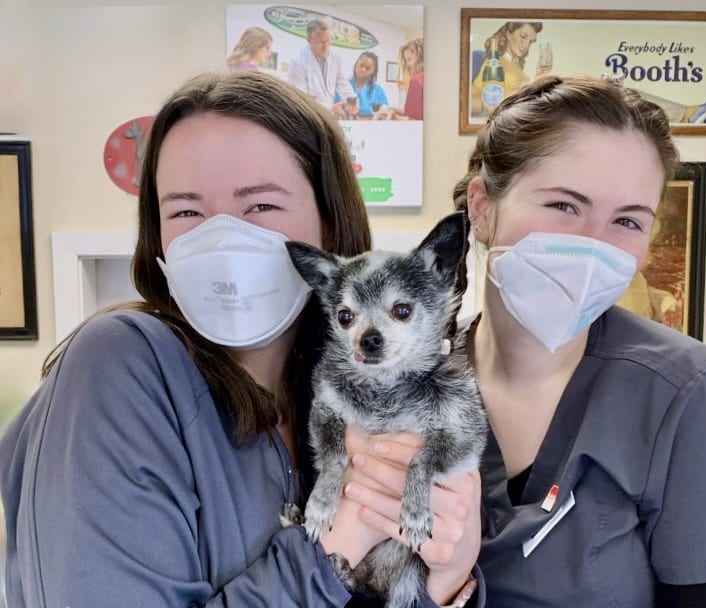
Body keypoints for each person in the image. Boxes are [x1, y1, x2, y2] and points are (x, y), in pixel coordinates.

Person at [0, 71, 482, 607]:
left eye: (260, 207)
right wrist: (337, 546)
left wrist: (446, 582)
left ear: (328, 227)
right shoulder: (117, 366)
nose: (222, 238)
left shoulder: (334, 392)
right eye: (186, 211)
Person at [445, 73, 706, 605]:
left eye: (628, 222)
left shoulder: (682, 392)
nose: (593, 248)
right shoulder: (410, 378)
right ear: (481, 207)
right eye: (565, 206)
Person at [470, 21, 551, 117]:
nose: (526, 45)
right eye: (523, 36)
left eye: (530, 41)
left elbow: (529, 108)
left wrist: (539, 79)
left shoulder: (522, 74)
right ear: (508, 34)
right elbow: (467, 101)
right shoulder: (482, 59)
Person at [287, 19, 357, 120]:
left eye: (328, 41)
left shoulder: (335, 57)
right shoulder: (297, 62)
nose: (326, 46)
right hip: (307, 115)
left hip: (328, 116)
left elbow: (341, 81)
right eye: (320, 42)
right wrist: (330, 107)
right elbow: (301, 98)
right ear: (309, 40)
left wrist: (352, 99)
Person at [348, 51, 388, 118]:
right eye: (361, 65)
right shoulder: (344, 86)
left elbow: (384, 112)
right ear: (356, 64)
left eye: (368, 68)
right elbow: (336, 107)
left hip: (372, 127)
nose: (363, 69)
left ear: (373, 72)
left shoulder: (378, 91)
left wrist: (357, 111)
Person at [395, 37, 424, 120]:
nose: (407, 65)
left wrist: (395, 117)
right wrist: (394, 109)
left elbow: (413, 120)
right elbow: (420, 112)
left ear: (421, 58)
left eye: (409, 59)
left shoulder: (416, 81)